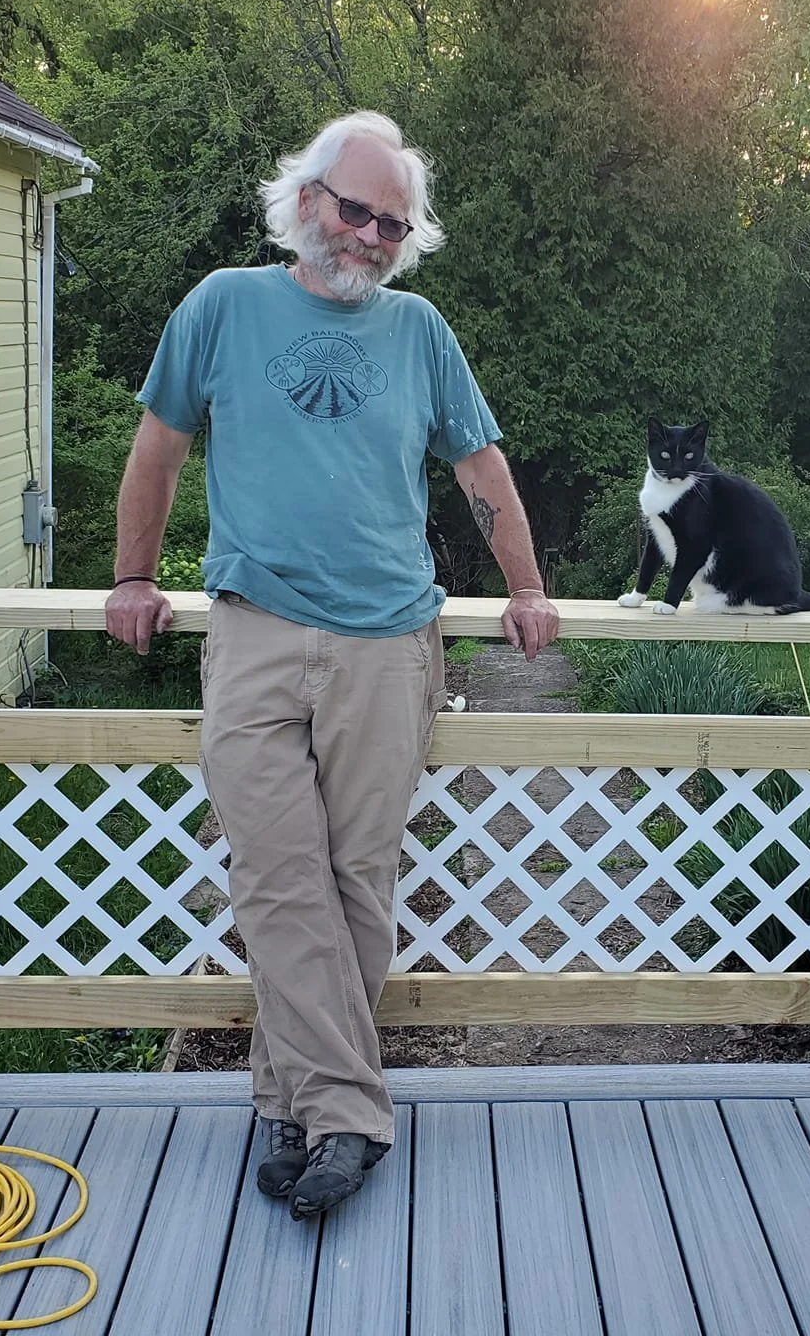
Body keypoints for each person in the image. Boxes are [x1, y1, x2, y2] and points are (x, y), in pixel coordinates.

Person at [104, 111, 559, 1220]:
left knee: (355, 883)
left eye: (392, 226)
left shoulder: (419, 331)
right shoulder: (222, 305)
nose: (369, 238)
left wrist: (526, 585)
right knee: (273, 875)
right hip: (253, 631)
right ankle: (352, 1114)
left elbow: (480, 466)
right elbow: (158, 446)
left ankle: (287, 1101)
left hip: (388, 644)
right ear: (307, 200)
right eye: (356, 211)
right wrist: (132, 575)